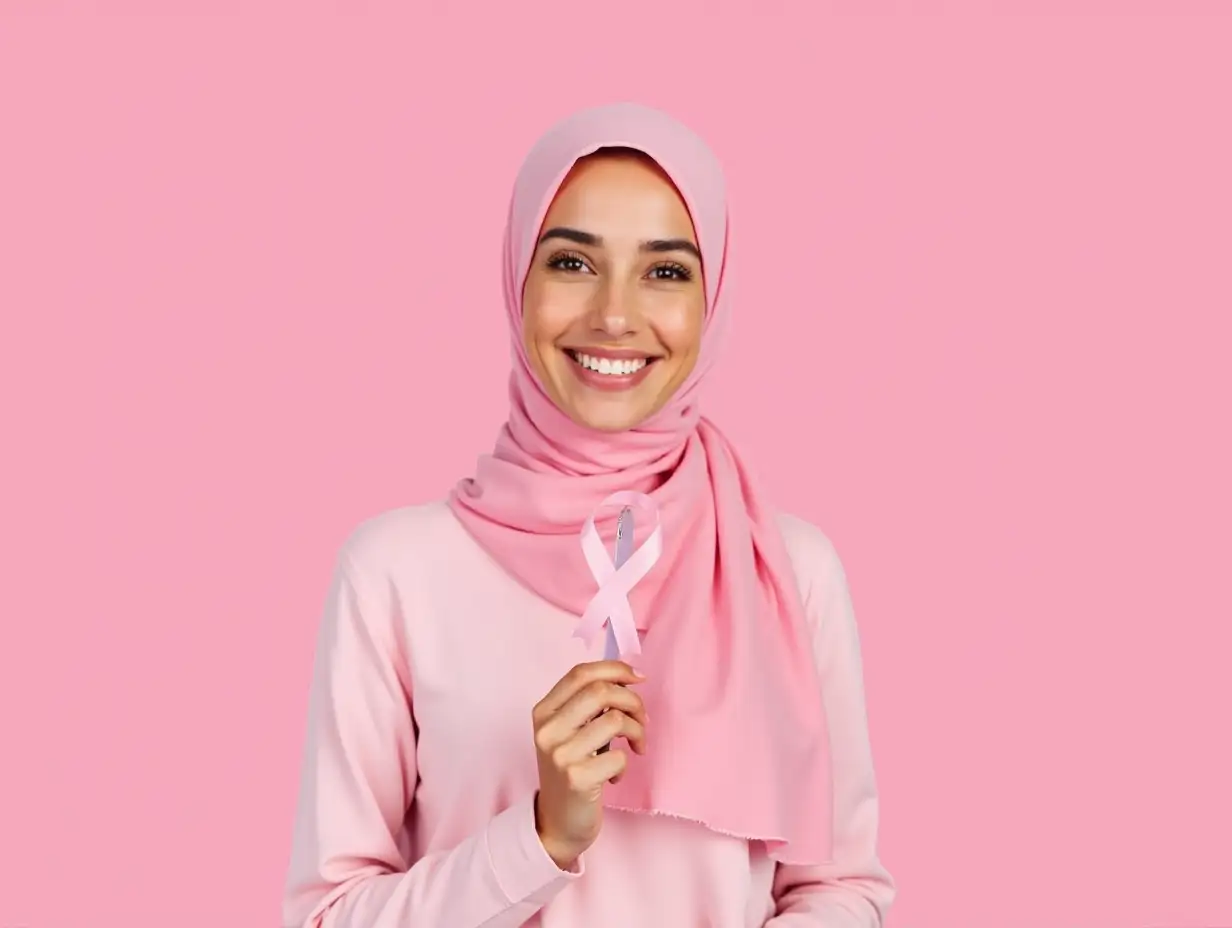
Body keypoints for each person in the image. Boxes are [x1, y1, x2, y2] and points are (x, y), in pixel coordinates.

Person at [281, 103, 895, 928]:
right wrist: (538, 840)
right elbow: (329, 915)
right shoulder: (397, 573)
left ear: (711, 299)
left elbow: (840, 892)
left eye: (666, 271)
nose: (614, 314)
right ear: (515, 279)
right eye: (572, 261)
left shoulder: (786, 570)